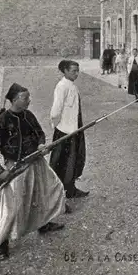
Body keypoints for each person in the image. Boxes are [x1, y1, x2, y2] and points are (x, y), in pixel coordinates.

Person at [0, 83, 65, 261]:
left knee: (47, 191)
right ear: (13, 100)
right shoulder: (2, 121)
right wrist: (0, 172)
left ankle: (43, 224)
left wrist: (42, 144)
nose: (29, 100)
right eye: (25, 98)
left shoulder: (29, 115)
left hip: (36, 161)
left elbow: (40, 133)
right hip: (15, 168)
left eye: (28, 97)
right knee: (12, 207)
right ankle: (2, 244)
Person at [50, 60, 88, 200]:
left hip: (75, 127)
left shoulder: (72, 86)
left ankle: (71, 189)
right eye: (73, 71)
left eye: (78, 71)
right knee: (62, 162)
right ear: (65, 71)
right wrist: (57, 126)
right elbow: (55, 110)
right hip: (65, 130)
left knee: (75, 159)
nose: (76, 74)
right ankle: (57, 193)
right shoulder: (62, 87)